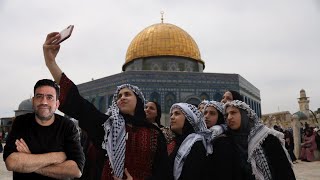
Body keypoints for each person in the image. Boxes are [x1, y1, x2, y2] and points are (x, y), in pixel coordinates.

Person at [43, 32, 169, 180]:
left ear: (139, 101)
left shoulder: (154, 134)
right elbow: (77, 102)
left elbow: (164, 173)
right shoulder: (107, 127)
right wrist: (50, 62)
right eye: (119, 96)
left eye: (127, 94)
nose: (122, 98)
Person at [3, 79, 85, 179]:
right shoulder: (21, 122)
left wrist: (29, 161)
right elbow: (11, 162)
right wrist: (55, 157)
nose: (44, 102)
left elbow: (76, 170)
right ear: (33, 101)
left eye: (50, 97)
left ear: (57, 104)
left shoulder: (67, 126)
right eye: (39, 96)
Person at [224, 100, 295, 180]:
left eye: (233, 112)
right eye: (226, 115)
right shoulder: (227, 142)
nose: (229, 117)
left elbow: (284, 172)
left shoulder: (267, 139)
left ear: (244, 115)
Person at [168, 103, 210, 180]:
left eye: (177, 114)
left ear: (189, 118)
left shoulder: (195, 144)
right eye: (171, 114)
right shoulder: (176, 141)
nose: (172, 117)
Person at [203, 101, 241, 180]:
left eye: (212, 113)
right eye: (205, 113)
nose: (206, 116)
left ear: (220, 117)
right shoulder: (204, 136)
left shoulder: (222, 141)